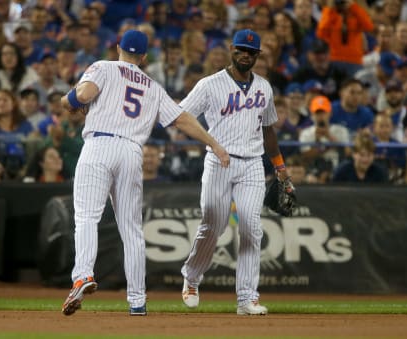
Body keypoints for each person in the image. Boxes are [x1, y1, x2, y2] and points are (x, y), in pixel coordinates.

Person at [60, 30, 230, 317]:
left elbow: (84, 95)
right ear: (144, 57)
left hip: (99, 144)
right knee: (132, 230)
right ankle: (137, 300)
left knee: (87, 217)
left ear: (118, 48)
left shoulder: (103, 66)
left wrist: (68, 101)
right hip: (131, 152)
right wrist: (214, 143)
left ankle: (83, 275)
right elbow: (182, 119)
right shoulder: (152, 85)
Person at [179, 29, 292, 316]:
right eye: (241, 49)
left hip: (253, 164)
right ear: (231, 49)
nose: (245, 55)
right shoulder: (210, 84)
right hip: (219, 161)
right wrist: (211, 143)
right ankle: (191, 278)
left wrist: (280, 168)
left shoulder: (264, 87)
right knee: (212, 225)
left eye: (251, 52)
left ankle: (247, 298)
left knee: (251, 228)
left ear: (257, 56)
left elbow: (268, 131)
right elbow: (181, 116)